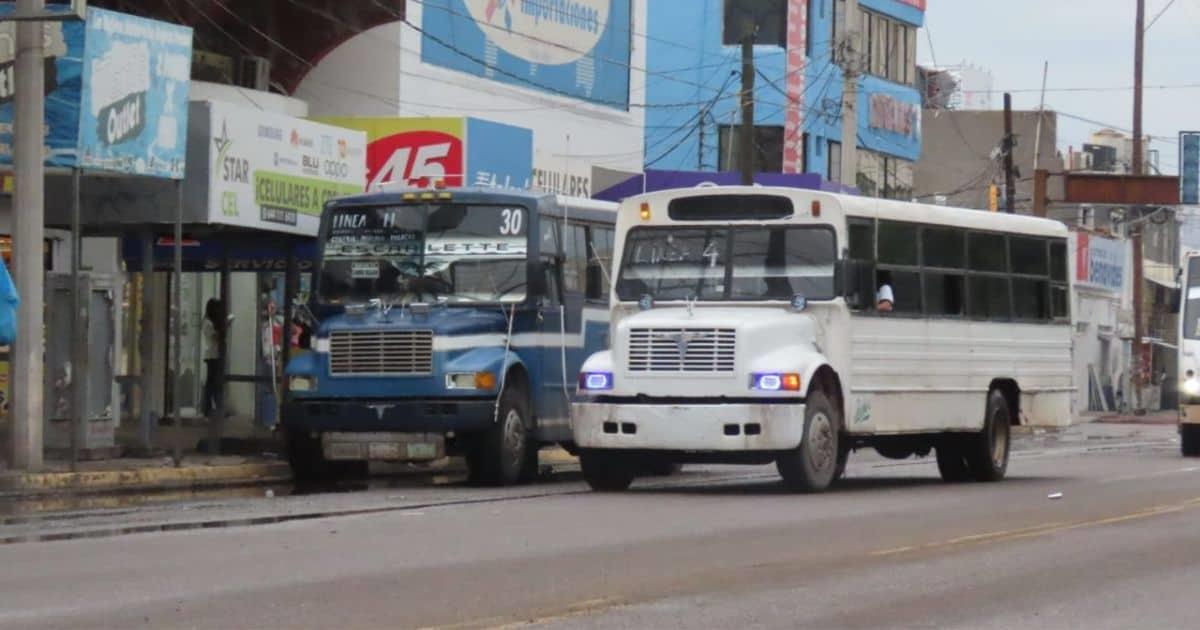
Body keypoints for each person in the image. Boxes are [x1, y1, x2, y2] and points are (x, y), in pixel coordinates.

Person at [201, 298, 226, 418]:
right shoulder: (207, 322)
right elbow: (215, 337)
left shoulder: (211, 322)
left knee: (213, 383)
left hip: (214, 354)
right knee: (212, 383)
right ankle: (208, 408)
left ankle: (213, 407)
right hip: (212, 355)